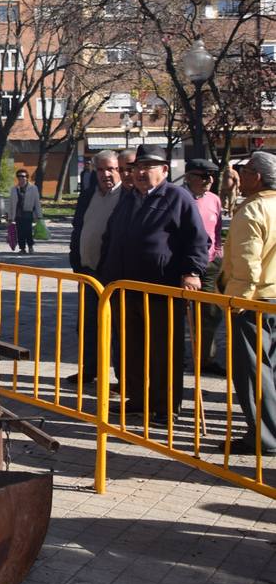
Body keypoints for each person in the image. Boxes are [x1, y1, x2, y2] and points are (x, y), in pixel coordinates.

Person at [98, 145, 209, 419]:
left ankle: (165, 405)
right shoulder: (129, 197)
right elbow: (111, 237)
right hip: (124, 287)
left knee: (163, 350)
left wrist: (192, 271)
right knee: (130, 348)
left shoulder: (177, 197)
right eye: (138, 167)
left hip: (161, 288)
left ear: (164, 170)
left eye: (148, 166)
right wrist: (104, 273)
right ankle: (137, 398)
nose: (141, 172)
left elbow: (198, 240)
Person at [219, 152, 276, 455]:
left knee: (253, 372)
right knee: (271, 370)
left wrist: (236, 302)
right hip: (271, 298)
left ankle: (264, 436)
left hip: (255, 301)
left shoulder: (253, 210)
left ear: (258, 176)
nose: (240, 176)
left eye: (244, 170)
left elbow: (246, 264)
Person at [68, 150, 126, 391]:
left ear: (119, 170)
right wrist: (76, 260)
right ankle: (89, 369)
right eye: (100, 170)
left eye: (111, 169)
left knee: (118, 329)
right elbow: (78, 228)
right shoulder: (89, 195)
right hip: (88, 273)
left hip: (114, 275)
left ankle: (124, 377)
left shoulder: (128, 196)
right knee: (87, 324)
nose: (106, 174)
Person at [183, 159, 225, 376]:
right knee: (177, 312)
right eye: (203, 176)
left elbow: (216, 231)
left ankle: (205, 358)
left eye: (211, 176)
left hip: (209, 264)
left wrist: (217, 253)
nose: (209, 181)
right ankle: (175, 355)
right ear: (189, 176)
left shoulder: (214, 200)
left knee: (209, 313)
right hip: (182, 266)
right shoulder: (179, 198)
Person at [9, 169, 42, 254]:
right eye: (19, 176)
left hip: (28, 213)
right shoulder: (14, 189)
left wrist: (39, 215)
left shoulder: (33, 188)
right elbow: (11, 204)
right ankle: (22, 248)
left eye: (23, 176)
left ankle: (30, 247)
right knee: (20, 232)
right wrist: (10, 217)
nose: (21, 178)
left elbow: (37, 202)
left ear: (27, 177)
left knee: (28, 230)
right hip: (18, 214)